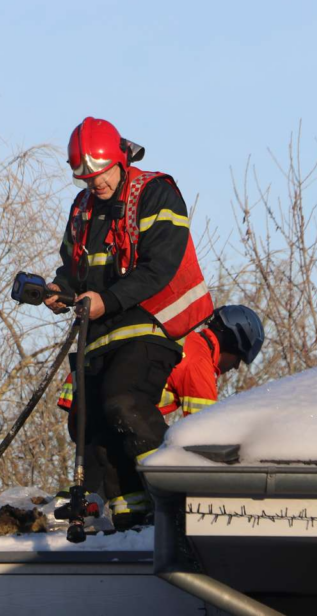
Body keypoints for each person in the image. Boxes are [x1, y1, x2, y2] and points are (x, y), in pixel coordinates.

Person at [46, 116, 213, 530]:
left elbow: (161, 266)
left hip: (150, 323)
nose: (95, 183)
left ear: (120, 161)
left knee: (124, 401)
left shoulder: (156, 193)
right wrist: (57, 289)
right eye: (85, 177)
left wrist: (108, 300)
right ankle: (131, 518)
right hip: (100, 333)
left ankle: (174, 499)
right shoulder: (83, 208)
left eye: (101, 173)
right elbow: (75, 267)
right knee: (90, 424)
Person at [157, 305, 265, 418]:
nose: (236, 366)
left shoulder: (186, 338)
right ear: (231, 345)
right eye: (238, 358)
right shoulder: (200, 367)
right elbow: (207, 426)